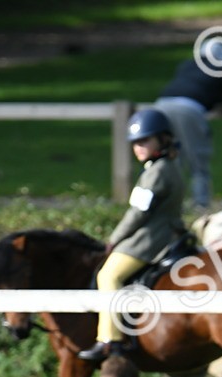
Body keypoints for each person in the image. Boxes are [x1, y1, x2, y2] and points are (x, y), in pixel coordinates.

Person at [78, 109, 186, 362]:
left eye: (144, 141)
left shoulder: (156, 172)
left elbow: (138, 213)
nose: (138, 147)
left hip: (151, 239)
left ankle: (109, 340)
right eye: (135, 142)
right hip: (165, 232)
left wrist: (114, 238)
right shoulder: (166, 166)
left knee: (109, 275)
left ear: (162, 139)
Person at [155, 38, 222, 209]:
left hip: (161, 104)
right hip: (188, 109)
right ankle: (200, 205)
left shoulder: (188, 65)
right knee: (198, 159)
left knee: (168, 157)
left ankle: (166, 203)